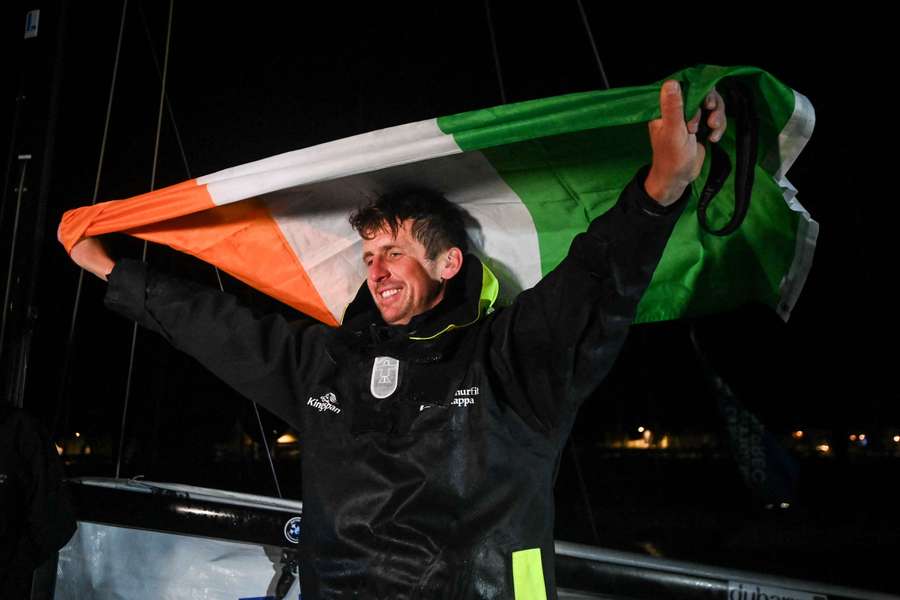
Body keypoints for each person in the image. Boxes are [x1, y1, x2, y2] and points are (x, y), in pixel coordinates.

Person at [62, 80, 726, 599]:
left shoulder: (511, 361)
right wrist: (115, 271)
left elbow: (596, 283)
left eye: (396, 250)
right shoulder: (328, 367)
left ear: (449, 265)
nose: (376, 268)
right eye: (369, 253)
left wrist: (661, 187)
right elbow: (220, 328)